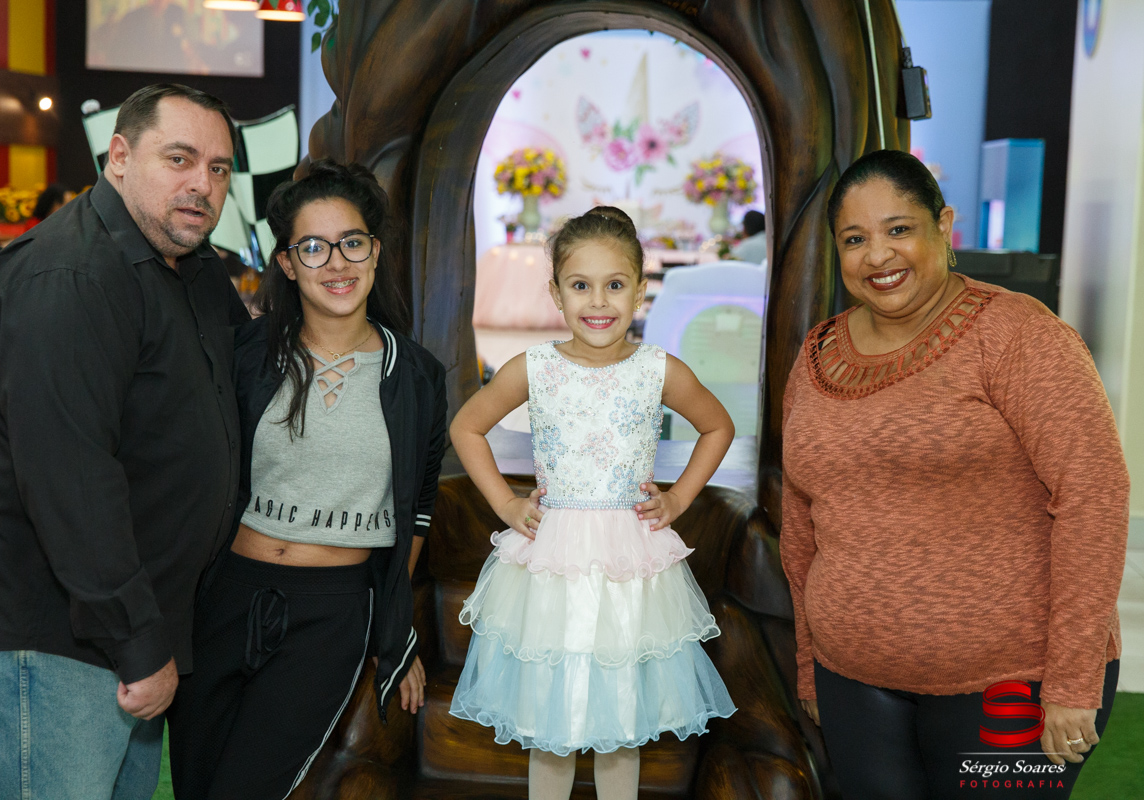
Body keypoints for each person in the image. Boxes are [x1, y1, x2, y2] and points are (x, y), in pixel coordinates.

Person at [780, 149, 1127, 800]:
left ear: (943, 225)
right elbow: (800, 525)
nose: (878, 255)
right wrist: (808, 662)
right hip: (852, 680)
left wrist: (1074, 678)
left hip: (1011, 683)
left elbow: (1093, 496)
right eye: (854, 239)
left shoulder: (1019, 336)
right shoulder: (819, 353)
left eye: (899, 229)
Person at [0, 83, 249, 800]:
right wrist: (137, 641)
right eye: (179, 158)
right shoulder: (71, 274)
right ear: (119, 156)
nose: (201, 184)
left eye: (217, 168)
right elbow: (70, 481)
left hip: (128, 628)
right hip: (58, 636)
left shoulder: (192, 268)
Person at [166, 160, 447, 800]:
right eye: (313, 247)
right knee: (197, 786)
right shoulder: (245, 355)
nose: (336, 262)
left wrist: (394, 629)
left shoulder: (416, 376)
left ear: (375, 252)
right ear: (288, 264)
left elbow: (419, 510)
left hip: (332, 612)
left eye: (352, 242)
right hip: (225, 597)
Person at [449, 206, 738, 799]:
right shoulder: (535, 368)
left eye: (615, 284)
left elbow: (717, 426)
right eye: (580, 286)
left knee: (621, 724)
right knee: (548, 722)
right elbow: (467, 427)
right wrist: (505, 505)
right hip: (554, 561)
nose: (598, 301)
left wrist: (680, 498)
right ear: (556, 293)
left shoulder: (658, 369)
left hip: (628, 562)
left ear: (640, 289)